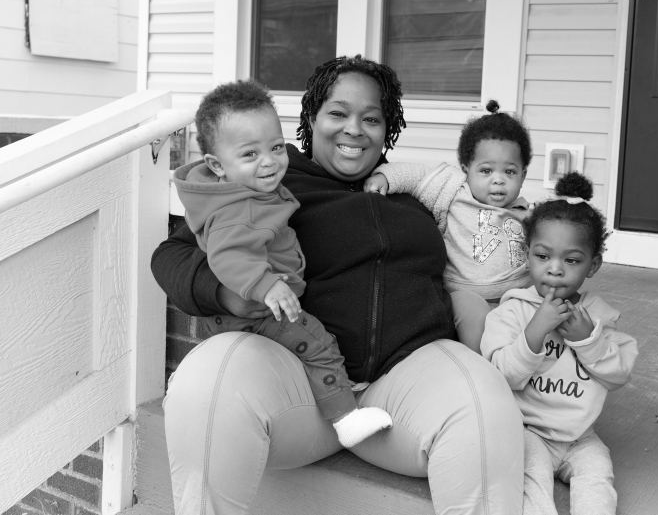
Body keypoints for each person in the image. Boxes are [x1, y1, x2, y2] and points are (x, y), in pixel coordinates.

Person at [150, 55, 525, 515]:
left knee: (484, 401)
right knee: (208, 378)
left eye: (371, 118)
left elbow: (488, 244)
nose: (354, 129)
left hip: (403, 391)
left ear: (387, 129)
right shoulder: (269, 184)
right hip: (299, 388)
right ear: (311, 118)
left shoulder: (416, 197)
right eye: (338, 113)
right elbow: (172, 255)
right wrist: (232, 291)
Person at [172, 79, 392, 448]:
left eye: (276, 146)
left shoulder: (248, 192)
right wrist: (266, 285)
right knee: (318, 344)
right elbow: (227, 256)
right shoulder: (237, 210)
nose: (270, 161)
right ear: (216, 164)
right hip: (260, 310)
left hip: (252, 310)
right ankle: (345, 416)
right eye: (250, 155)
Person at [480, 172, 639, 515]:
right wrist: (535, 331)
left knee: (598, 474)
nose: (555, 270)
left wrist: (588, 340)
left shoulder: (599, 317)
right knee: (529, 479)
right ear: (527, 255)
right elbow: (500, 377)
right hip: (526, 430)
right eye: (543, 256)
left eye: (571, 260)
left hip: (580, 437)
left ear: (592, 265)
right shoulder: (512, 312)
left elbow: (619, 374)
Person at [363, 100, 533, 352]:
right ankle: (485, 366)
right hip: (464, 295)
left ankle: (523, 363)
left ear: (523, 175)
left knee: (538, 314)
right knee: (472, 313)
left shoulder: (527, 214)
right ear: (467, 170)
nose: (498, 180)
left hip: (514, 297)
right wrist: (384, 176)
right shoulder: (454, 190)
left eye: (509, 172)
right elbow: (415, 174)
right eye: (486, 171)